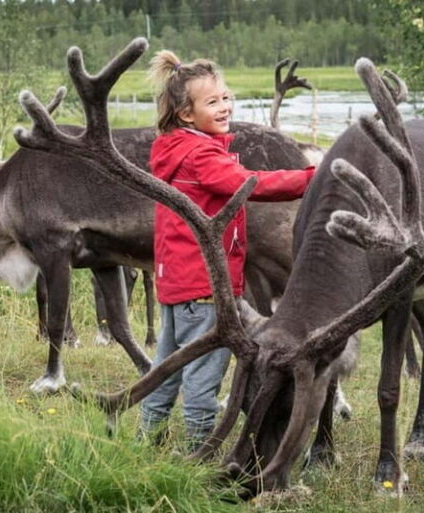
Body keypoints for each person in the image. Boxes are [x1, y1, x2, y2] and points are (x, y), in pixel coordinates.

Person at [139, 50, 315, 450]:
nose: (225, 106)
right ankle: (198, 457)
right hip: (204, 287)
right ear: (186, 113)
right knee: (203, 376)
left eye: (226, 97)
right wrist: (313, 178)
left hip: (178, 283)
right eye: (212, 101)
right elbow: (251, 183)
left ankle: (144, 446)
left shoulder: (176, 148)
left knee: (166, 370)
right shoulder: (200, 155)